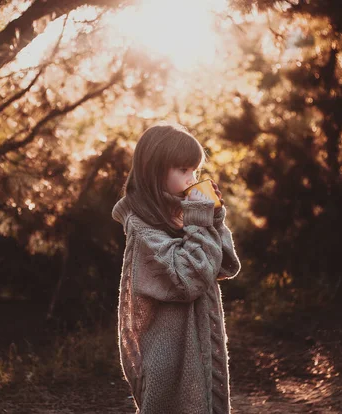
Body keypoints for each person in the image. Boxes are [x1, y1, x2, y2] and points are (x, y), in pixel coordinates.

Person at [112, 122, 241, 414]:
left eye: (194, 170)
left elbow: (224, 265)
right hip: (167, 359)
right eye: (183, 170)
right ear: (154, 171)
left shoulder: (181, 216)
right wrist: (199, 219)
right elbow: (188, 279)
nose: (191, 178)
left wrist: (214, 218)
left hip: (195, 352)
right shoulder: (143, 228)